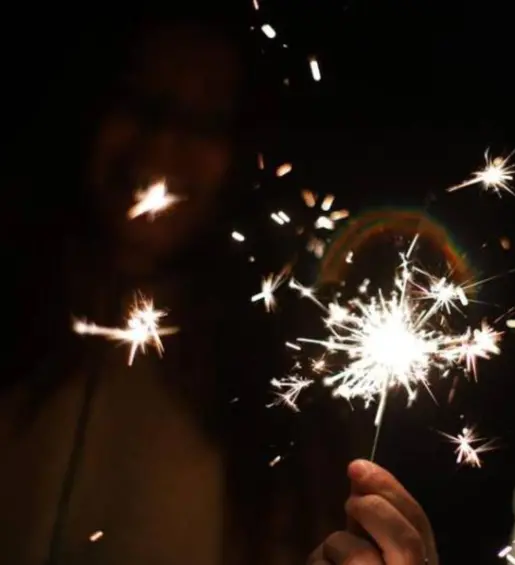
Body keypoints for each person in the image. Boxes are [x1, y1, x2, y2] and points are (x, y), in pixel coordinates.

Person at [0, 5, 438, 565]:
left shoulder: (278, 410)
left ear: (238, 155)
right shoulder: (8, 325)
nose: (161, 144)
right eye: (142, 102)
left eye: (203, 119)